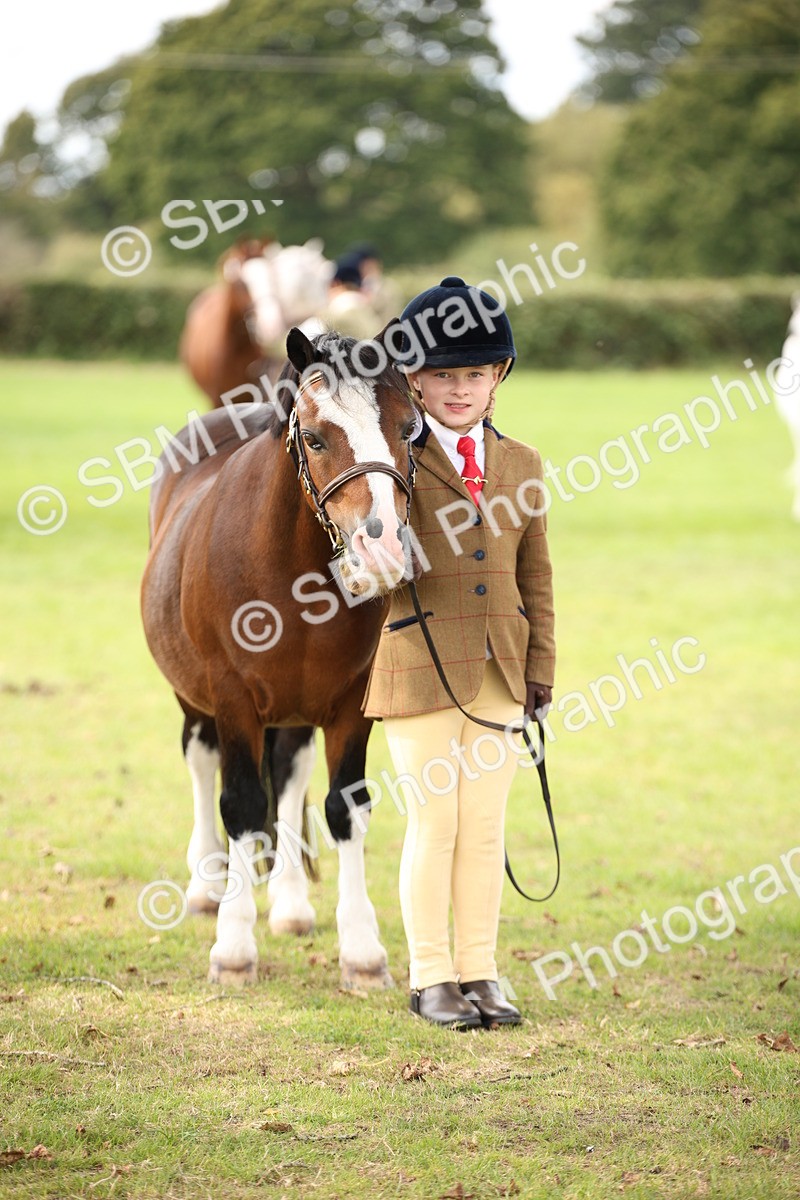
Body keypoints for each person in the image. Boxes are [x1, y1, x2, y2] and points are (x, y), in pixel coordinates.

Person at [361, 276, 556, 1030]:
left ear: (497, 377)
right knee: (435, 821)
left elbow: (535, 576)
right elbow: (351, 568)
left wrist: (541, 670)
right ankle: (431, 977)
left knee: (485, 828)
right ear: (414, 378)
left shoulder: (524, 463)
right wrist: (374, 559)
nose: (458, 389)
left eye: (473, 374)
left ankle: (481, 971)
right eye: (443, 375)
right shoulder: (391, 462)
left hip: (503, 667)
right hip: (418, 664)